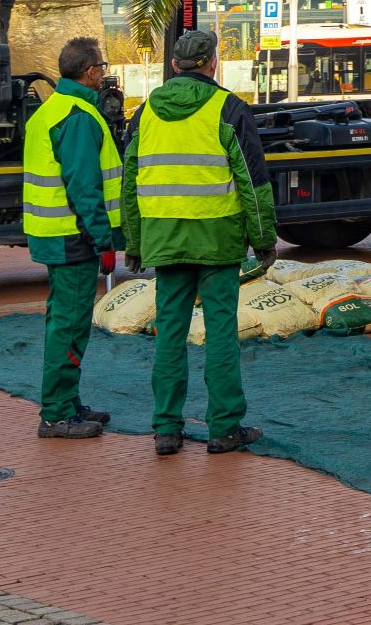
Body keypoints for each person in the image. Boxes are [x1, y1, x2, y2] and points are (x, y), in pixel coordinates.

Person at [122, 28, 278, 457]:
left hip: (164, 239)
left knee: (169, 332)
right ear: (212, 63)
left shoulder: (145, 113)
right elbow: (253, 182)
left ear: (175, 65)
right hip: (217, 239)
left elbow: (129, 182)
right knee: (221, 332)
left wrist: (134, 243)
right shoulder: (229, 109)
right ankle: (224, 429)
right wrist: (264, 238)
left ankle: (167, 430)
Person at [22, 37, 123, 439]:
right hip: (74, 236)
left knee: (64, 320)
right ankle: (58, 412)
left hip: (57, 232)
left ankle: (67, 402)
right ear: (90, 71)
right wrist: (104, 241)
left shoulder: (55, 109)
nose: (103, 73)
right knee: (70, 323)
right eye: (101, 66)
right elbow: (84, 186)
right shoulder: (78, 115)